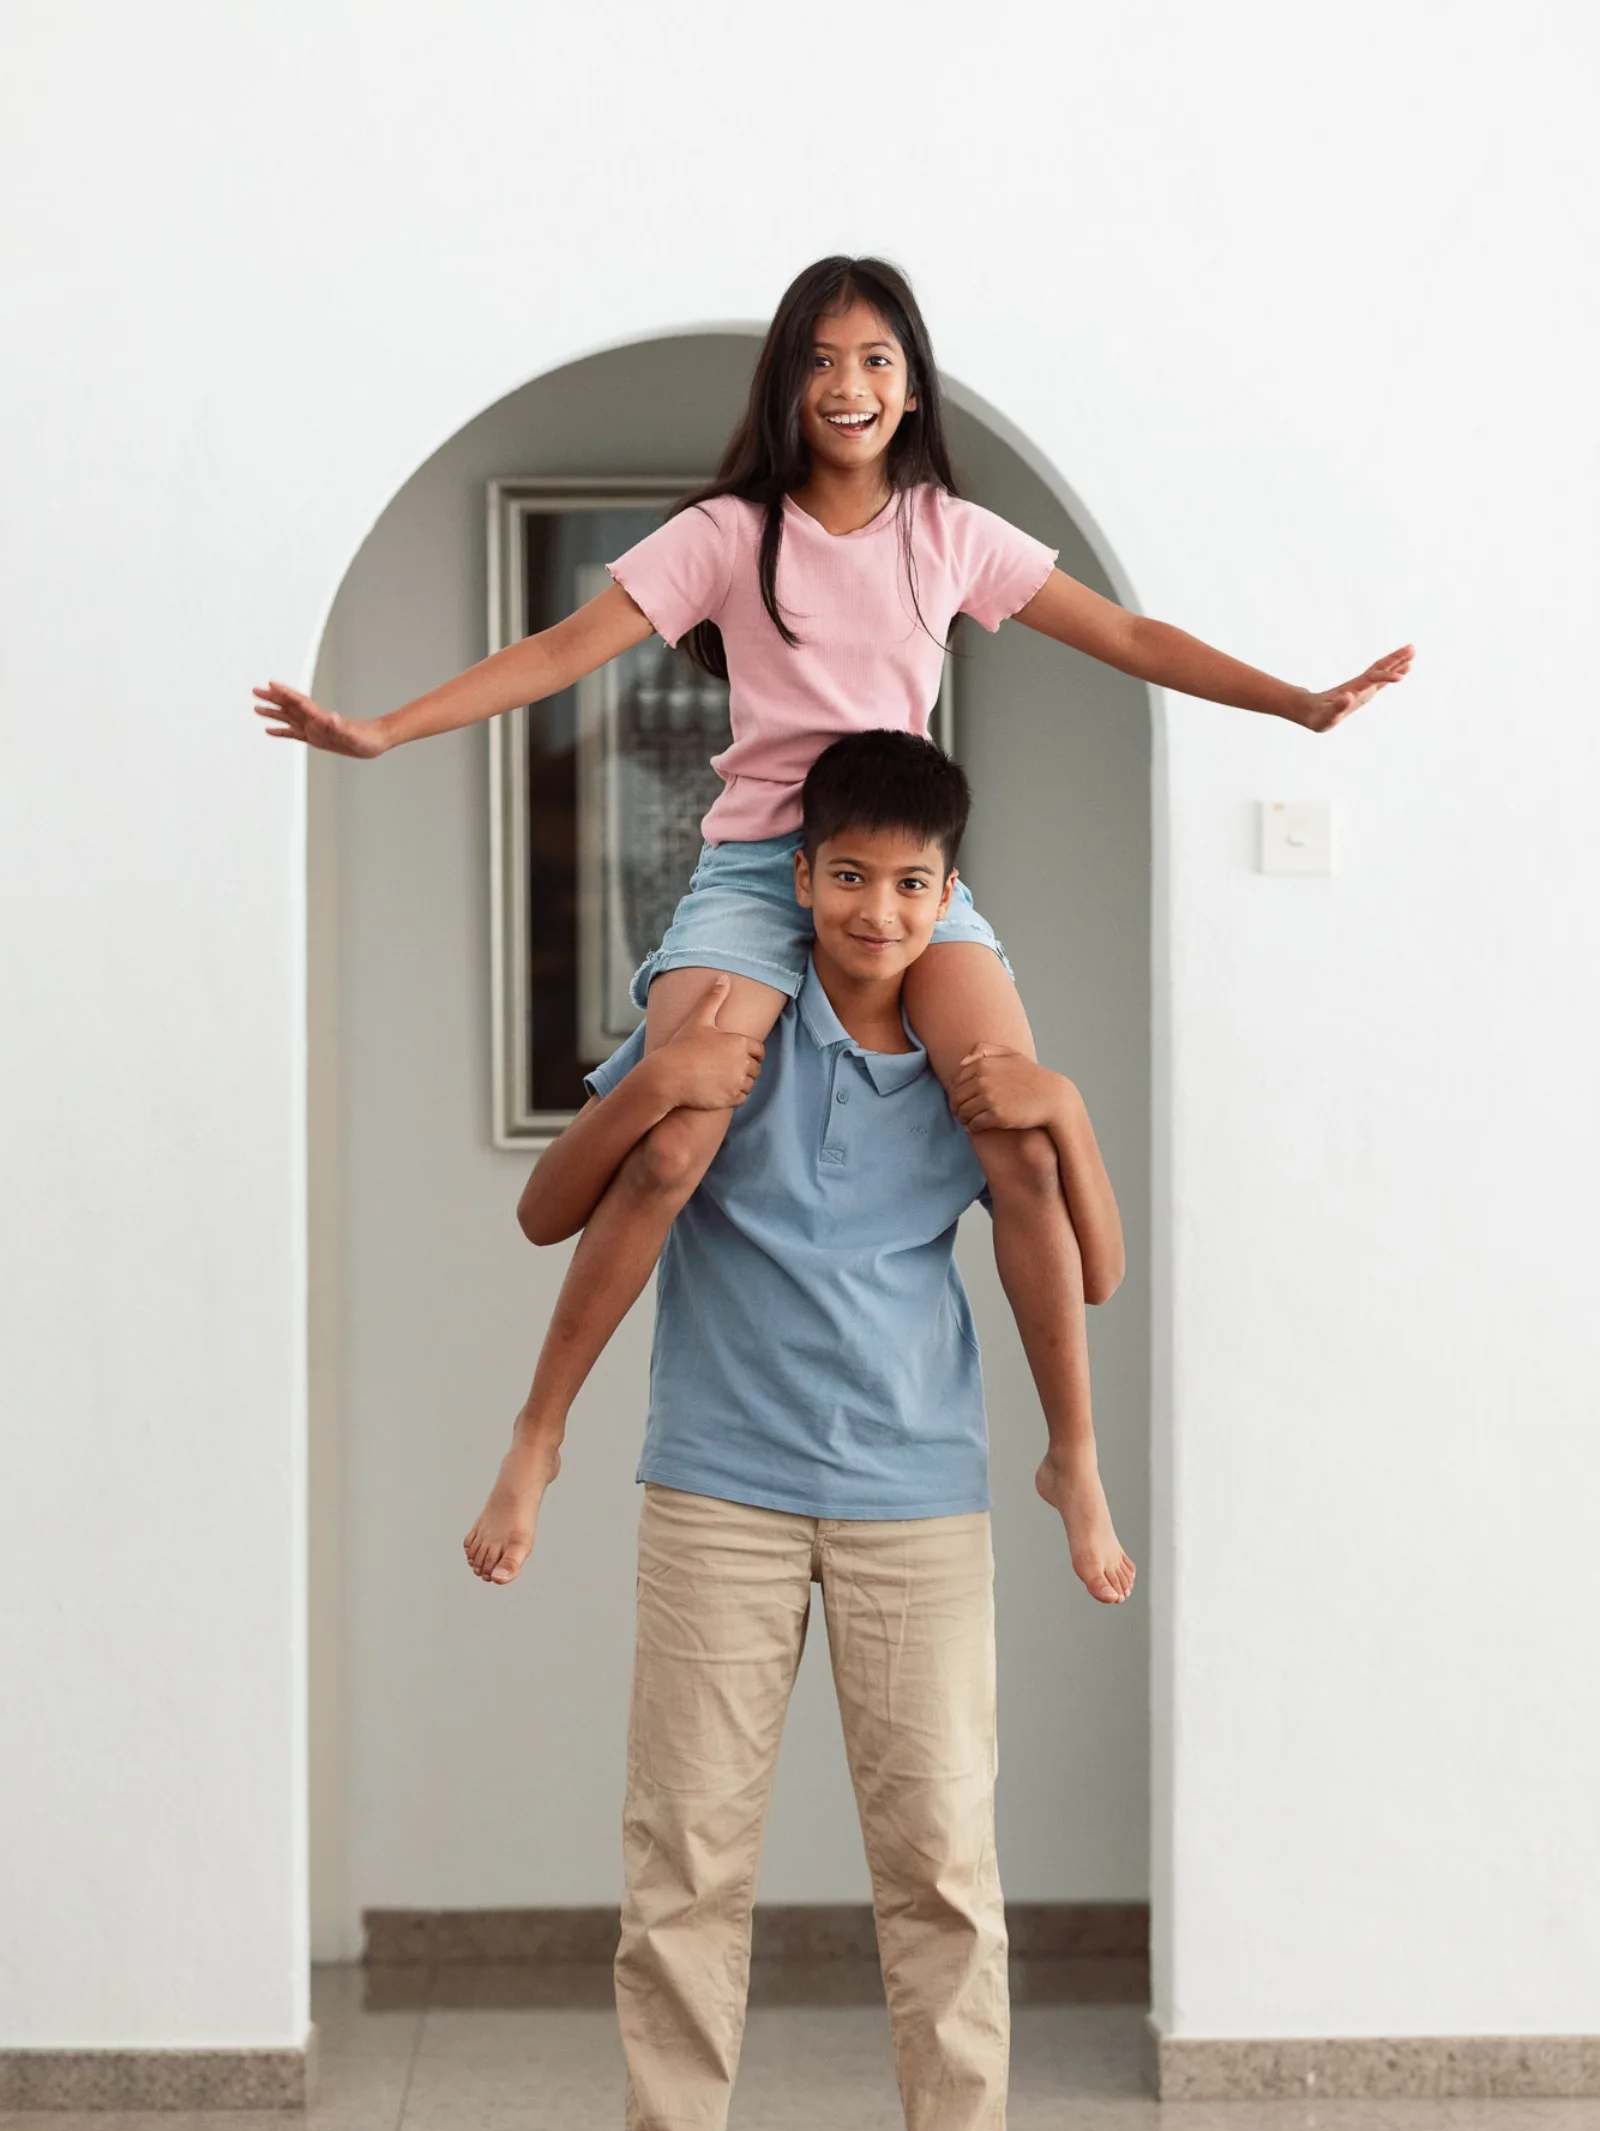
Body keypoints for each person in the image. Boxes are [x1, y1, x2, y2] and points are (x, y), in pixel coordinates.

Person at [255, 254, 1411, 1603]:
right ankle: (540, 1431)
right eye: (818, 359)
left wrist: (1296, 704)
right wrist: (385, 728)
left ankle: (1072, 1456)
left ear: (910, 385)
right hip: (762, 868)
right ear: (786, 383)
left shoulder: (949, 534)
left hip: (902, 875)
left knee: (1015, 1126)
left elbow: (1130, 637)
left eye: (873, 359)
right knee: (675, 1134)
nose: (846, 385)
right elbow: (562, 652)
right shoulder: (726, 536)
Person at [520, 732, 1124, 2131]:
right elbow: (548, 1208)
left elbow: (1094, 1268)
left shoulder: (972, 1077)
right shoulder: (727, 1029)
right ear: (796, 877)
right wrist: (654, 1080)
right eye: (848, 876)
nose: (875, 910)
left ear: (948, 895)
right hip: (716, 1484)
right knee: (686, 1848)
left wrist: (1064, 1106)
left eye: (910, 885)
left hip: (917, 1492)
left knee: (941, 1852)